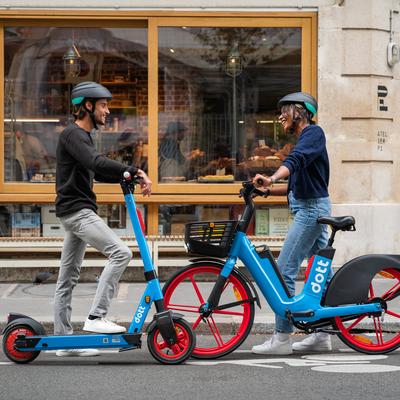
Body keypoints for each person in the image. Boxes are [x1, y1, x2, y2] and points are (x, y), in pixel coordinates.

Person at [54, 81, 152, 357]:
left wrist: (124, 176)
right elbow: (96, 163)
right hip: (78, 212)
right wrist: (133, 170)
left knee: (67, 278)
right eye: (103, 105)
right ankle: (97, 317)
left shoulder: (80, 138)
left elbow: (95, 172)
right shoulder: (73, 134)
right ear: (87, 105)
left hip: (73, 211)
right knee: (120, 253)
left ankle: (64, 342)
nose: (108, 111)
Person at [252, 92, 332, 355]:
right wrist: (266, 190)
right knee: (322, 273)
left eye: (284, 110)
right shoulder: (307, 140)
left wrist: (272, 178)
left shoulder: (313, 134)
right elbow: (295, 187)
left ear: (300, 110)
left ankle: (282, 337)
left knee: (283, 269)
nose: (280, 116)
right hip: (313, 208)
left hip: (311, 211)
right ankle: (323, 332)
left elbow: (293, 163)